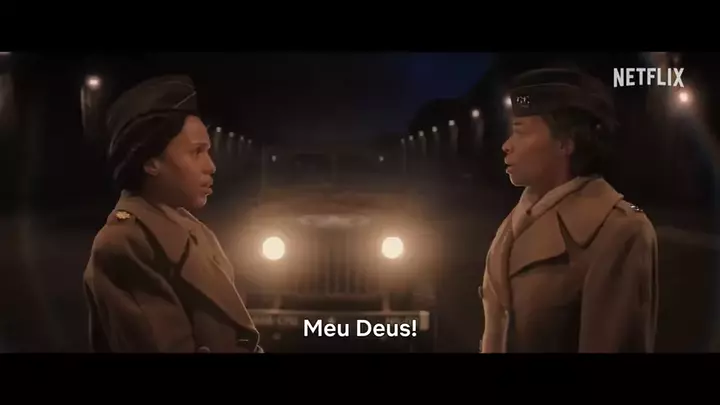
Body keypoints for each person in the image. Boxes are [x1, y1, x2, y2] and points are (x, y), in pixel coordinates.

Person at [479, 68, 659, 352]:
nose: (506, 146)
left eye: (520, 132)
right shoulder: (517, 221)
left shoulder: (620, 231)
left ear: (565, 143)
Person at [83, 75, 262, 353]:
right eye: (196, 152)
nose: (210, 166)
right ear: (151, 162)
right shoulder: (125, 244)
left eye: (208, 151)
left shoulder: (193, 229)